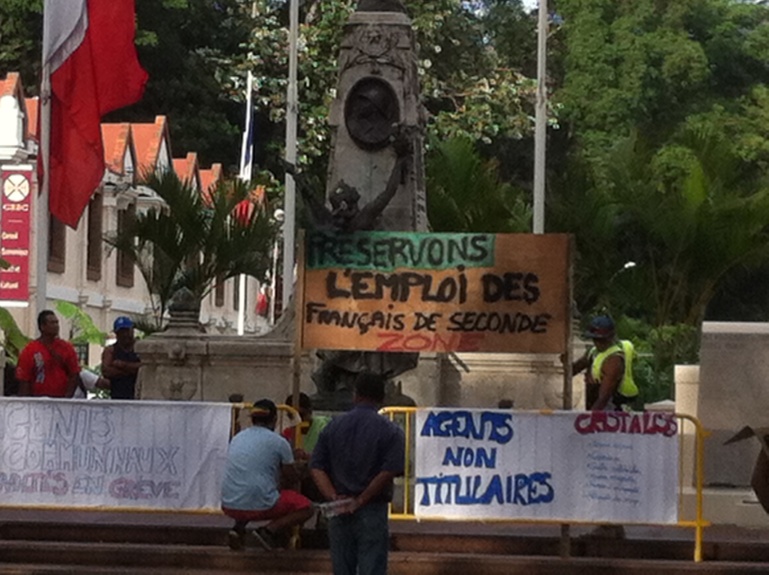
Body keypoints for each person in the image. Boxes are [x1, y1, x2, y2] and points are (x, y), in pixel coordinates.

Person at [310, 372, 405, 575]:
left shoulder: (332, 427)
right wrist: (361, 500)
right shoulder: (391, 430)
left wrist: (333, 496)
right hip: (372, 507)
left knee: (342, 567)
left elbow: (316, 466)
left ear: (355, 395)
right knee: (372, 565)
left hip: (338, 507)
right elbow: (388, 471)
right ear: (382, 397)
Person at [221, 399, 314, 551]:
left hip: (229, 504)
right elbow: (291, 477)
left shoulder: (238, 438)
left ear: (252, 419)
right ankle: (268, 530)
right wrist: (305, 469)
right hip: (260, 506)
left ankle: (238, 529)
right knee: (307, 507)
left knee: (248, 485)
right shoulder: (279, 442)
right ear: (275, 420)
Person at [571, 315, 639, 412]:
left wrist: (590, 419)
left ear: (610, 338)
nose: (597, 343)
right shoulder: (593, 352)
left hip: (610, 409)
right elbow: (573, 370)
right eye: (595, 339)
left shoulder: (613, 360)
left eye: (601, 340)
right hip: (594, 404)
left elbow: (604, 398)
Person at [16, 310, 80, 398]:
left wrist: (67, 399)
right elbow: (24, 379)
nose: (56, 326)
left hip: (61, 400)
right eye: (52, 323)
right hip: (37, 400)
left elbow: (74, 374)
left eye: (57, 322)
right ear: (42, 326)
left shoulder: (67, 348)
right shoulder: (30, 350)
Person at [101, 316, 141, 400]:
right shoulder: (111, 350)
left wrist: (123, 365)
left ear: (132, 331)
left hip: (138, 397)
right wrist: (131, 370)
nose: (125, 335)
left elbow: (144, 368)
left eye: (127, 331)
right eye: (121, 332)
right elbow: (106, 371)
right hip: (117, 397)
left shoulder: (140, 348)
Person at [282, 392, 332, 459]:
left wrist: (306, 456)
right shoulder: (287, 434)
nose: (297, 421)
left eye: (301, 415)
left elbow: (330, 455)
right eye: (292, 417)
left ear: (310, 411)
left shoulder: (324, 427)